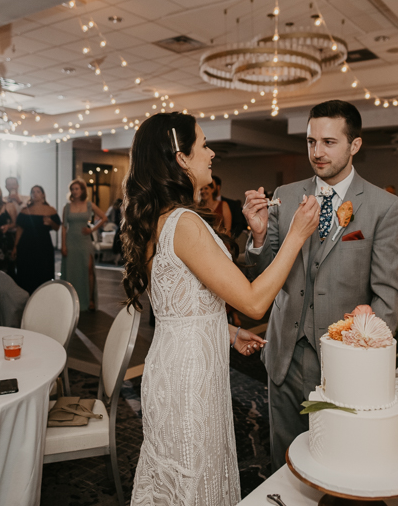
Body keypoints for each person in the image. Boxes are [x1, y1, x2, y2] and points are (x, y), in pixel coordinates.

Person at [122, 113, 319, 506]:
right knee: (194, 476)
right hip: (189, 378)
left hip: (174, 364)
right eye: (204, 143)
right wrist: (295, 236)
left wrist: (227, 332)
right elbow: (252, 301)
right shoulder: (185, 223)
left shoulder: (159, 219)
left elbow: (179, 304)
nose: (212, 153)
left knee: (182, 474)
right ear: (181, 158)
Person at [242, 99, 398, 470]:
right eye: (311, 141)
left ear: (355, 145)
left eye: (329, 142)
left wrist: (361, 360)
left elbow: (388, 296)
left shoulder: (383, 207)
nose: (317, 152)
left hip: (342, 361)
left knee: (336, 463)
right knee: (282, 461)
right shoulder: (286, 194)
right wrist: (258, 235)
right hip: (284, 353)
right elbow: (266, 273)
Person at [61, 179, 107, 311]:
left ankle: (90, 300)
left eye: (77, 189)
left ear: (82, 190)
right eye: (72, 189)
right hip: (71, 240)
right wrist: (63, 246)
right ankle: (71, 300)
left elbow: (104, 217)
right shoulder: (67, 207)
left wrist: (91, 229)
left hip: (85, 240)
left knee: (88, 268)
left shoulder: (89, 204)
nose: (74, 191)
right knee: (71, 270)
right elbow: (64, 227)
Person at [13, 186, 61, 293]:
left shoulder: (50, 210)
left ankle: (42, 298)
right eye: (33, 192)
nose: (35, 194)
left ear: (43, 194)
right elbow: (19, 229)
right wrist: (15, 247)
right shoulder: (25, 210)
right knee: (26, 272)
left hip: (43, 245)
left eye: (38, 191)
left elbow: (57, 227)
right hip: (26, 245)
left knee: (43, 271)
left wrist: (50, 222)